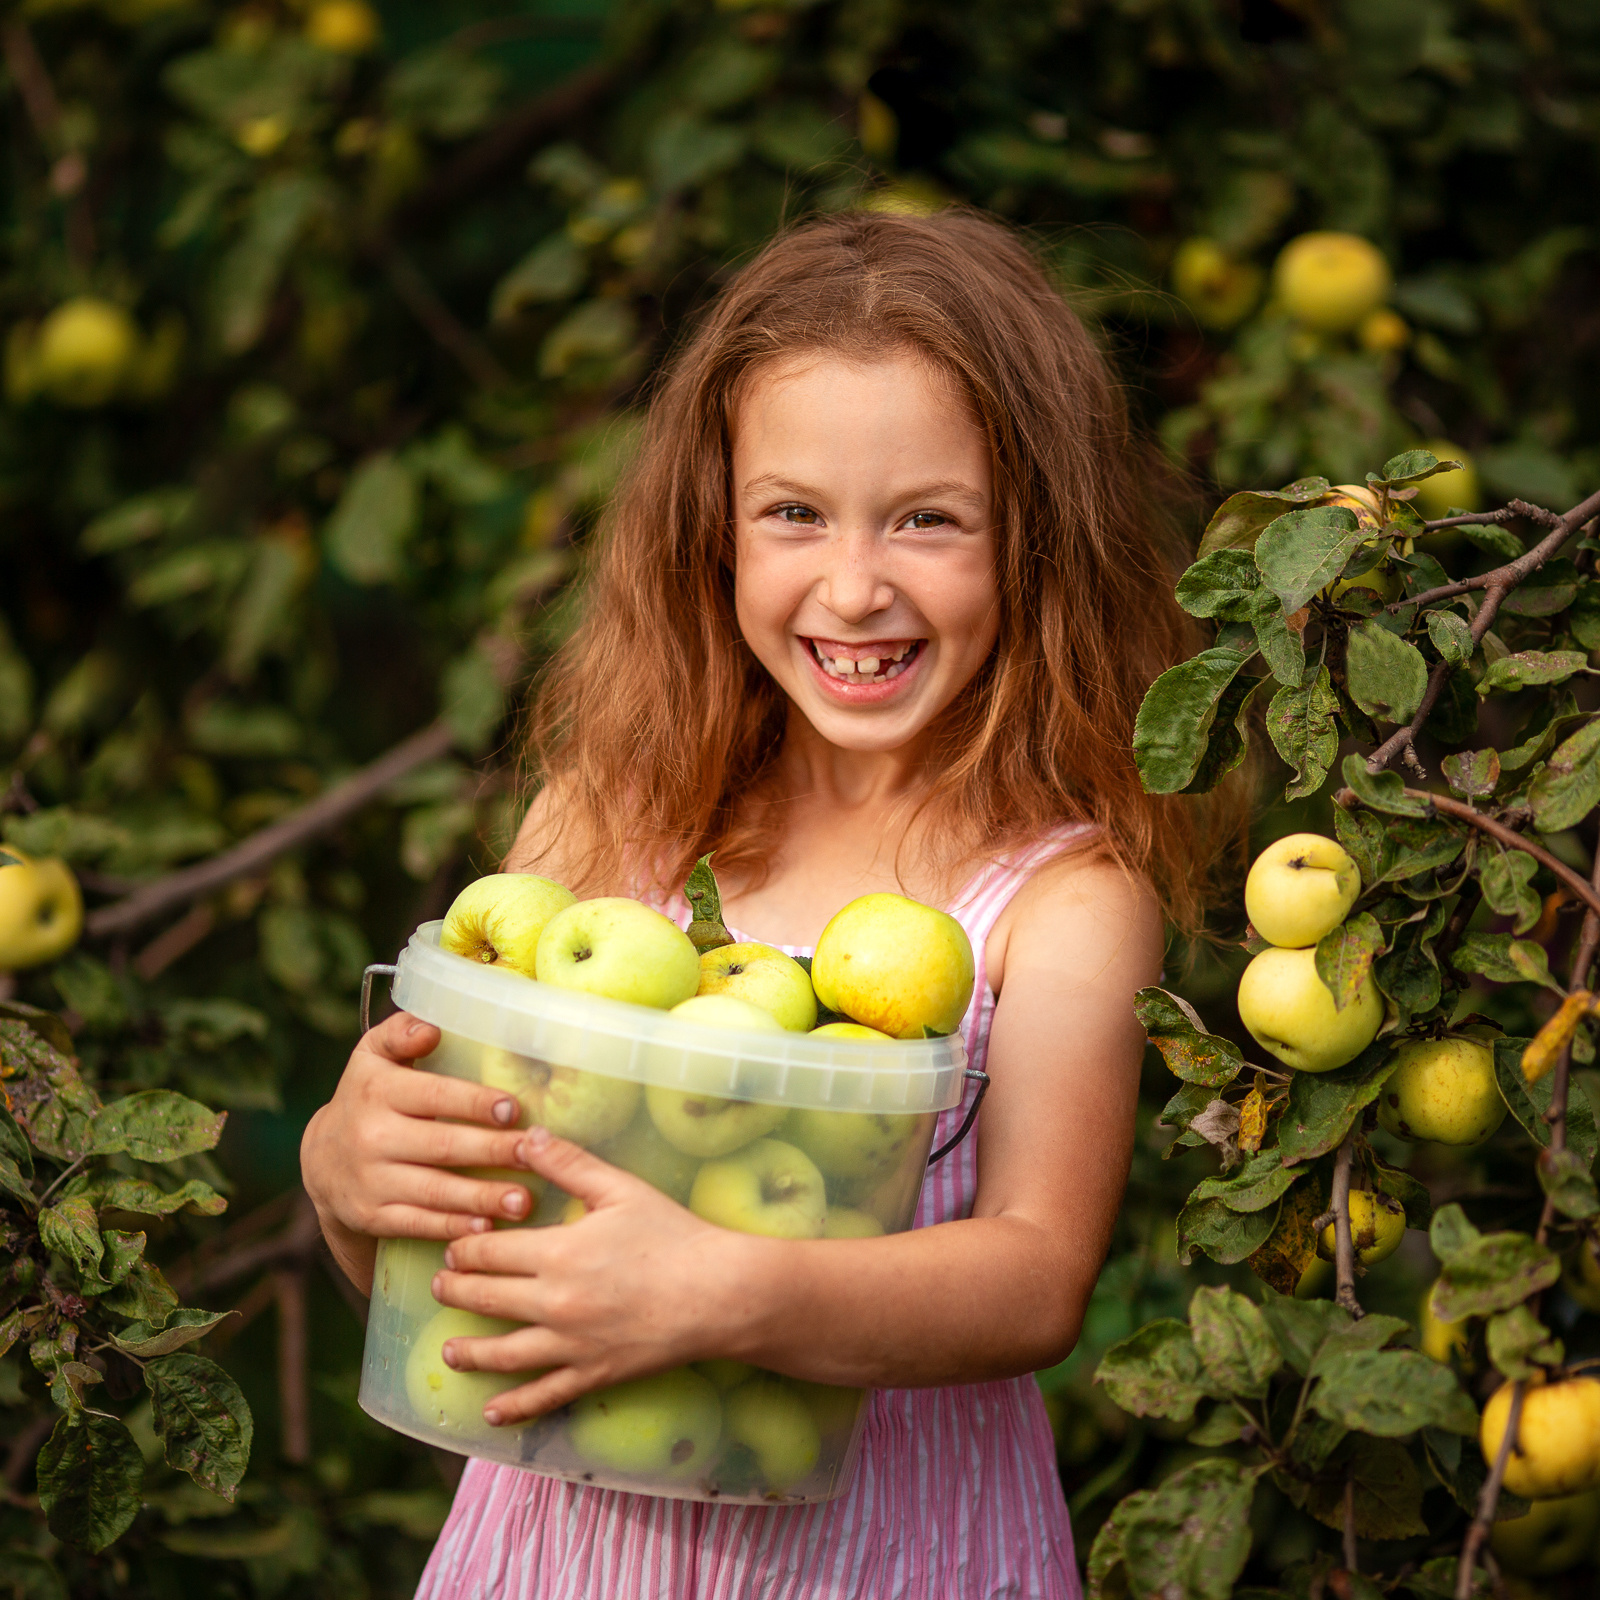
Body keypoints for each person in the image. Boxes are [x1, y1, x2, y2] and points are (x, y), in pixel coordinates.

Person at [301, 208, 1238, 1599]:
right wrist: (344, 1169)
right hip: (562, 1557)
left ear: (1038, 542)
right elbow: (456, 1256)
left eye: (929, 520)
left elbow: (1039, 1277)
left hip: (888, 1558)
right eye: (793, 514)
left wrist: (730, 1294)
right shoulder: (610, 819)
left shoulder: (1057, 900)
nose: (854, 588)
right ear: (712, 531)